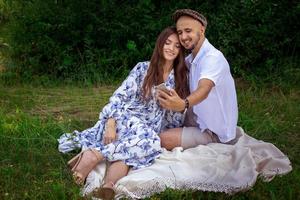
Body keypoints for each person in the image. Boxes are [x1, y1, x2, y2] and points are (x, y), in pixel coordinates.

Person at [58, 26, 189, 200]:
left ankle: (107, 184)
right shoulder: (143, 68)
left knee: (134, 152)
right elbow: (119, 97)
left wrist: (174, 106)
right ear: (160, 44)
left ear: (180, 51)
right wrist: (110, 123)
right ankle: (94, 156)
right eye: (167, 43)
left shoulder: (179, 79)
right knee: (148, 142)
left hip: (145, 129)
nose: (171, 48)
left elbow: (173, 122)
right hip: (125, 118)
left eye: (177, 46)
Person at [157, 9, 238, 150]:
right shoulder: (191, 59)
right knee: (153, 123)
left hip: (215, 132)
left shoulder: (212, 58)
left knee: (162, 139)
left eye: (188, 30)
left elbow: (204, 88)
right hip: (197, 120)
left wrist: (183, 104)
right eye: (180, 32)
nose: (183, 37)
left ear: (202, 30)